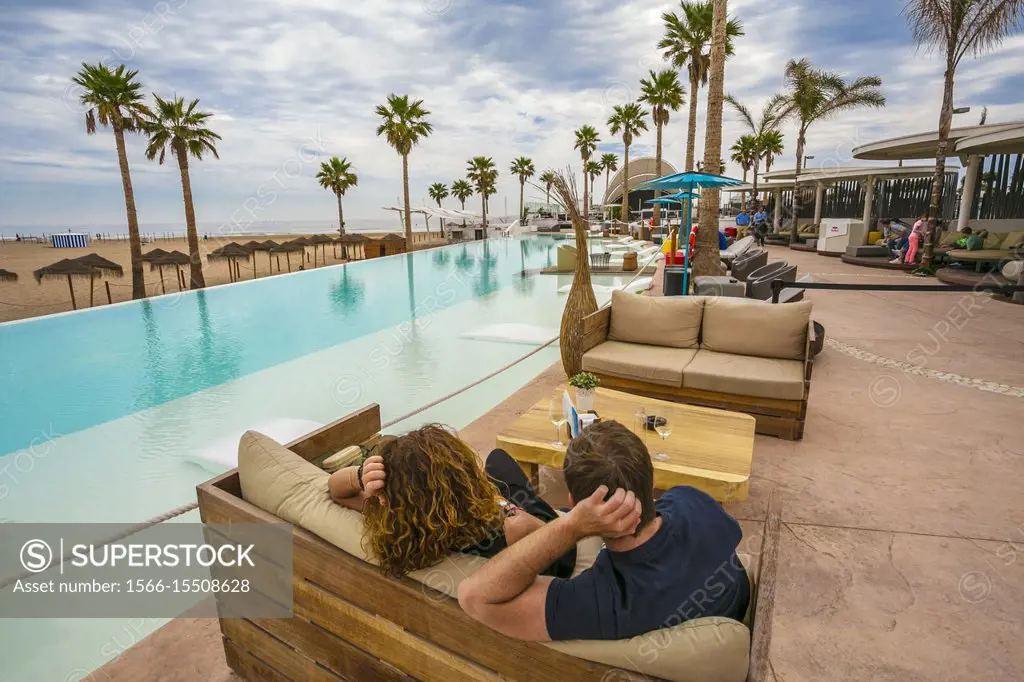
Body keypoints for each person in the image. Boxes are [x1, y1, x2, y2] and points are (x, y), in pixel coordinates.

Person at [458, 420, 749, 641]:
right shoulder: (693, 501)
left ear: (574, 504)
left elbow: (473, 595)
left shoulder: (604, 599)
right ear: (651, 483)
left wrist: (572, 526)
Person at [329, 424, 576, 578]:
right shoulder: (513, 527)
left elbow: (336, 491)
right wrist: (503, 504)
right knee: (498, 460)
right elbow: (559, 543)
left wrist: (361, 475)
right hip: (546, 544)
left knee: (496, 467)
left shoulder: (397, 523)